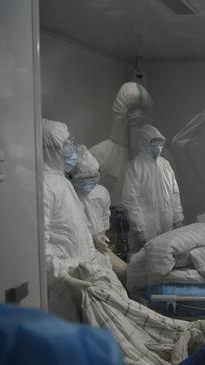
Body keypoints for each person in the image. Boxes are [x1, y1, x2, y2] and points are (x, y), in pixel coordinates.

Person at [42, 119, 111, 322]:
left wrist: (92, 241)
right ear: (50, 148)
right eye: (66, 144)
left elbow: (69, 228)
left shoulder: (61, 182)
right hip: (61, 287)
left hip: (79, 276)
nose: (72, 148)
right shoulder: (45, 186)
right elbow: (39, 246)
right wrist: (63, 276)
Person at [69, 144, 128, 283]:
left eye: (92, 177)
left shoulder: (101, 193)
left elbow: (104, 222)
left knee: (120, 278)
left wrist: (103, 238)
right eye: (83, 179)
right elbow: (66, 232)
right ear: (71, 177)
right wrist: (91, 238)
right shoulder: (67, 196)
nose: (89, 183)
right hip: (77, 256)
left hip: (101, 252)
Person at [121, 124, 184, 254]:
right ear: (144, 143)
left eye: (159, 142)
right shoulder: (135, 166)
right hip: (146, 227)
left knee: (167, 257)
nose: (157, 146)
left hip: (167, 223)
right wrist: (140, 229)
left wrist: (178, 219)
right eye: (153, 142)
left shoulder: (165, 165)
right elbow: (131, 201)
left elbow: (174, 194)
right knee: (144, 261)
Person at [90, 81, 154, 206]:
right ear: (121, 119)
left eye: (142, 124)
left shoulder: (156, 157)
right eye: (135, 124)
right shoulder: (98, 156)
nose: (139, 130)